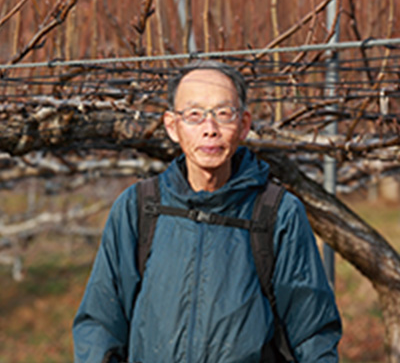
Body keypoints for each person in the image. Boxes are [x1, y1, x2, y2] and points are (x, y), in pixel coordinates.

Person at [72, 60, 342, 363]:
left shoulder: (277, 213)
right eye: (194, 115)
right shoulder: (139, 207)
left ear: (244, 124)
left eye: (223, 114)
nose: (209, 130)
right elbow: (101, 324)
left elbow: (312, 333)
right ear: (172, 126)